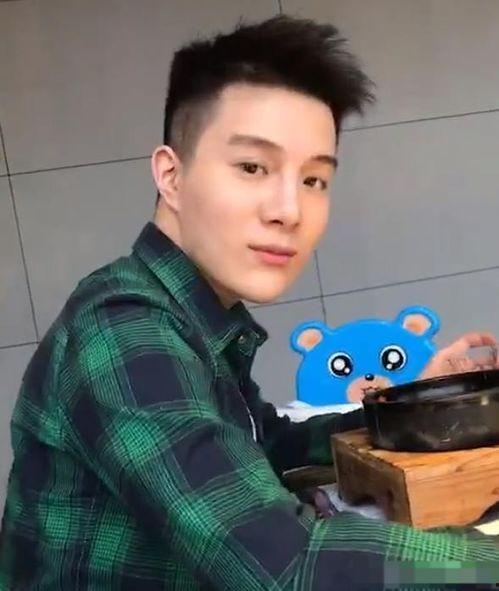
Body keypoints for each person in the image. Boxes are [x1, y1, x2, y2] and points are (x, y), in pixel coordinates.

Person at [1, 15, 498, 590]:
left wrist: (419, 405)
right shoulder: (124, 331)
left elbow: (271, 443)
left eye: (314, 180)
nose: (289, 210)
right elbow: (288, 567)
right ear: (171, 175)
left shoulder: (190, 317)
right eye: (252, 167)